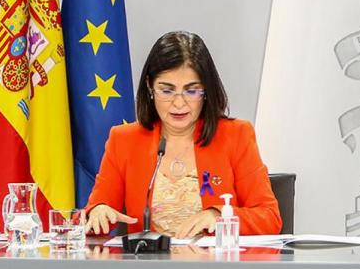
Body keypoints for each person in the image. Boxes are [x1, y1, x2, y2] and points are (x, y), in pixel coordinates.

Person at [85, 31, 281, 238]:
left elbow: (270, 217)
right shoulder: (124, 140)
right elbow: (95, 210)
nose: (179, 103)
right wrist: (97, 212)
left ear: (206, 90)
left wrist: (219, 216)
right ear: (150, 86)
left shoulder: (236, 135)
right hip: (148, 260)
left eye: (191, 91)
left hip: (215, 259)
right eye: (167, 90)